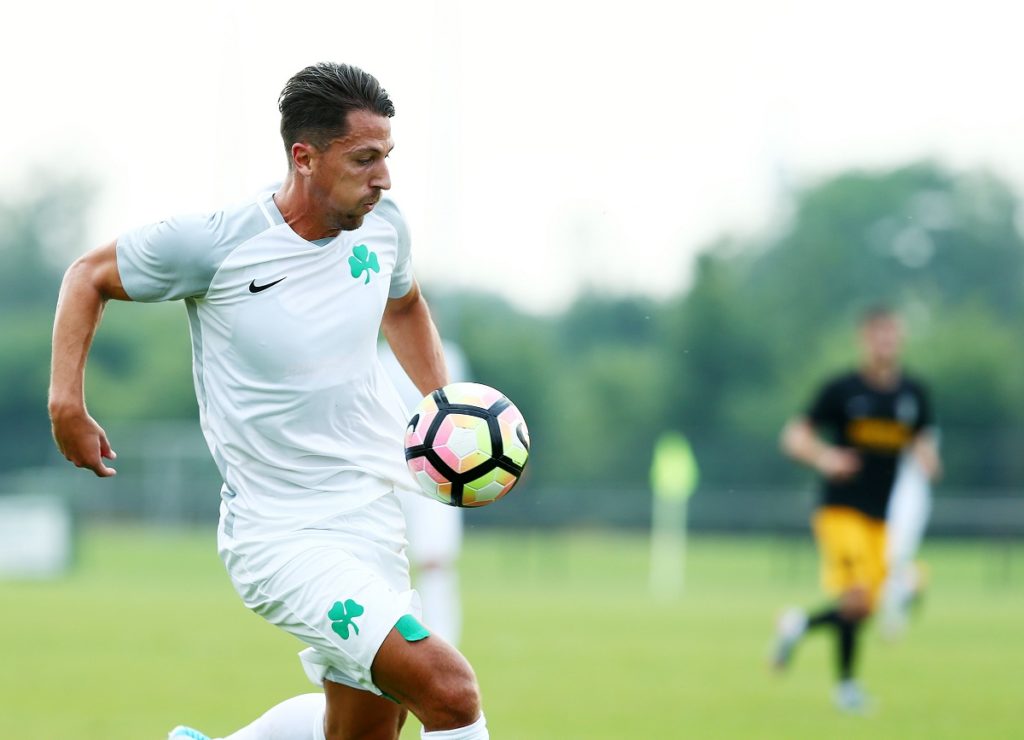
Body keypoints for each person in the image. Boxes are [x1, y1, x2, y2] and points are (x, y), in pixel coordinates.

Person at [49, 63, 490, 740]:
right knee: (450, 691)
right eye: (364, 159)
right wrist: (66, 404)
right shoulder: (218, 244)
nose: (384, 178)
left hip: (372, 518)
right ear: (304, 158)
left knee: (362, 732)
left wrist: (446, 412)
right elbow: (88, 275)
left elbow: (403, 305)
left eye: (388, 156)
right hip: (280, 535)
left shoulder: (384, 226)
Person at [771, 306, 941, 713]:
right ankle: (847, 690)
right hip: (841, 510)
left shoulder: (912, 394)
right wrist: (825, 457)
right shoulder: (842, 389)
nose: (886, 343)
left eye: (892, 335)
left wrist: (928, 460)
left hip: (882, 518)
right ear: (864, 339)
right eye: (878, 335)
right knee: (859, 594)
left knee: (862, 608)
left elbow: (922, 443)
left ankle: (798, 626)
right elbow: (793, 437)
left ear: (901, 339)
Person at [378, 339, 470, 646]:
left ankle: (444, 644)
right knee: (383, 559)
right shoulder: (376, 356)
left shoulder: (450, 356)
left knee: (435, 561)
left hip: (438, 473)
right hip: (388, 469)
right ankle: (389, 644)